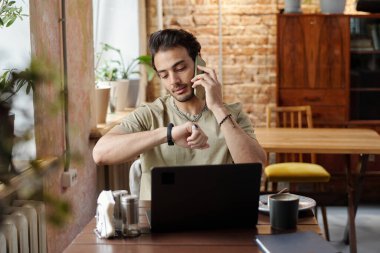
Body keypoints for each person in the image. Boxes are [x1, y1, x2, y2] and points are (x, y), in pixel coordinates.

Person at [93, 29, 266, 200]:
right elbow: (100, 154)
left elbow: (256, 168)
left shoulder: (232, 114)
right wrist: (169, 134)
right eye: (164, 75)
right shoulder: (150, 114)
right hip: (161, 221)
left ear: (199, 63)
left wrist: (218, 108)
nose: (173, 81)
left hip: (220, 220)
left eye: (181, 68)